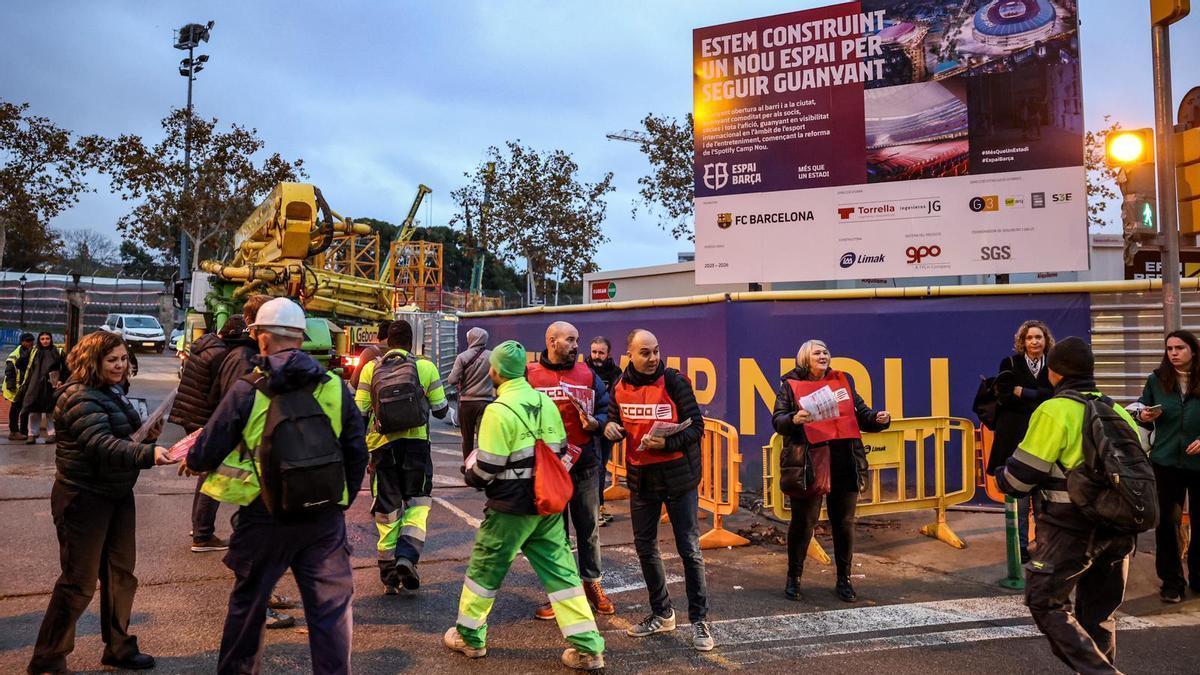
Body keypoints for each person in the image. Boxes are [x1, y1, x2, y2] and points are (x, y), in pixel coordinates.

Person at [188, 297, 368, 675]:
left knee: (249, 607)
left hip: (264, 515)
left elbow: (205, 453)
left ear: (262, 338)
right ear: (301, 339)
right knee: (330, 613)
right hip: (323, 520)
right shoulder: (335, 387)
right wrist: (340, 501)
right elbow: (357, 452)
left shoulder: (247, 389)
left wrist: (193, 459)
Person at [444, 340, 606, 671]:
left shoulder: (498, 410)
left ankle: (470, 639)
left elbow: (486, 467)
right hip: (547, 504)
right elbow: (561, 449)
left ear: (497, 371)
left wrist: (470, 473)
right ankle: (589, 648)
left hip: (510, 507)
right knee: (562, 575)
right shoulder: (545, 403)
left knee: (485, 571)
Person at [27, 331, 175, 674]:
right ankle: (47, 660)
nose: (120, 365)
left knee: (121, 575)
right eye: (112, 360)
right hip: (83, 497)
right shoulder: (79, 396)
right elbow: (101, 445)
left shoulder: (113, 391)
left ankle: (119, 647)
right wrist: (148, 453)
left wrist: (148, 434)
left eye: (123, 359)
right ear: (92, 361)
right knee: (78, 582)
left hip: (116, 494)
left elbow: (121, 436)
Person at [997, 336, 1141, 674]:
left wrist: (1003, 475)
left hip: (1071, 528)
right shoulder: (1116, 409)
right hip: (1120, 528)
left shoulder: (1054, 409)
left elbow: (1020, 479)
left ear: (1054, 373)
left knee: (1045, 602)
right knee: (1099, 614)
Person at [605, 329, 714, 651]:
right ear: (630, 355)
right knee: (646, 549)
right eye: (645, 353)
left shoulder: (675, 381)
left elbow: (697, 427)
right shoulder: (619, 387)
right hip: (642, 480)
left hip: (679, 479)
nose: (652, 358)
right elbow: (615, 422)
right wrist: (610, 429)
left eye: (655, 351)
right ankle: (662, 613)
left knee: (689, 550)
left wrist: (667, 442)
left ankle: (700, 621)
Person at [772, 339, 890, 603]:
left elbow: (861, 414)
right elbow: (778, 420)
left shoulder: (842, 380)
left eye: (826, 351)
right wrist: (793, 419)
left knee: (844, 522)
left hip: (844, 458)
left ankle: (844, 580)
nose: (823, 355)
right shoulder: (790, 386)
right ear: (804, 359)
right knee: (804, 523)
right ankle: (794, 578)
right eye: (817, 352)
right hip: (810, 461)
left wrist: (879, 420)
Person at [205, 296, 298, 628]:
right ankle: (259, 608)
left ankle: (263, 599)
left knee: (263, 544)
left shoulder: (248, 361)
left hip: (260, 475)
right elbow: (232, 416)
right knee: (257, 547)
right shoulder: (249, 364)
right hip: (260, 476)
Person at [527, 321, 614, 619]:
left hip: (585, 465)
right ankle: (560, 593)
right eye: (570, 340)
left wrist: (597, 423)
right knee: (556, 535)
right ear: (551, 341)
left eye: (578, 340)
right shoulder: (530, 375)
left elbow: (607, 409)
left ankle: (593, 584)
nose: (577, 346)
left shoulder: (588, 374)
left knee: (588, 530)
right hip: (549, 469)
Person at [355, 320, 449, 594]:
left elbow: (360, 412)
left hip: (381, 447)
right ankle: (407, 556)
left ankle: (388, 574)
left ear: (387, 342)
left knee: (386, 509)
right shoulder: (426, 367)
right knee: (418, 504)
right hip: (417, 446)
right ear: (412, 342)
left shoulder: (371, 369)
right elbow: (442, 410)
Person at [169, 316, 245, 555]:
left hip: (188, 412)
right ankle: (202, 534)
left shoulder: (206, 344)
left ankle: (199, 528)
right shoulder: (221, 355)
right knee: (212, 474)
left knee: (207, 472)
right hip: (203, 417)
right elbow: (217, 394)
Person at [1133, 329, 1200, 604]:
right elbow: (1143, 413)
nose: (1173, 353)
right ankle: (1172, 582)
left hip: (1198, 462)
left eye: (1179, 348)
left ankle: (1198, 578)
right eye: (1169, 348)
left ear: (1193, 351)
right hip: (1166, 461)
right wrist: (1145, 415)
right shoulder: (1157, 379)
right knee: (1167, 525)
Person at [988, 320, 1055, 563]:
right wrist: (1039, 396)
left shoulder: (1054, 365)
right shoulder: (1010, 363)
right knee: (1019, 499)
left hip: (1045, 438)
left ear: (1046, 340)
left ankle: (1044, 547)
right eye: (1029, 338)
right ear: (1022, 342)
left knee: (1043, 500)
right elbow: (1004, 395)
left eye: (1038, 337)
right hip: (1014, 438)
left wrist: (1024, 392)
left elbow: (1056, 395)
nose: (1034, 342)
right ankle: (1020, 550)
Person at [587, 336, 621, 526]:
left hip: (607, 426)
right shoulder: (583, 370)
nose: (597, 356)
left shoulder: (616, 373)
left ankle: (598, 506)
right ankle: (595, 508)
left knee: (602, 466)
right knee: (596, 467)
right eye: (594, 352)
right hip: (590, 427)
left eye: (601, 352)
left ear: (608, 354)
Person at [447, 326, 494, 460]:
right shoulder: (492, 356)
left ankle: (468, 465)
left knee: (467, 439)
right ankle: (481, 467)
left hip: (467, 404)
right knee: (483, 439)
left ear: (471, 339)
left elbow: (452, 379)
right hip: (486, 402)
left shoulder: (462, 357)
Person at [20, 332, 67, 445]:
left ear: (51, 340)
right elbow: (20, 363)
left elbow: (67, 368)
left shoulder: (58, 352)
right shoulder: (33, 351)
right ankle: (32, 435)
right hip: (35, 384)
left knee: (51, 411)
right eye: (42, 339)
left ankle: (52, 434)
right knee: (33, 410)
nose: (45, 341)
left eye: (47, 338)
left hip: (51, 385)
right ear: (39, 340)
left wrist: (61, 380)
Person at [5, 332, 35, 440]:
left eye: (31, 340)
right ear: (22, 342)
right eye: (27, 341)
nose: (30, 343)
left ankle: (23, 431)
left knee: (25, 408)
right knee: (15, 408)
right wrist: (11, 385)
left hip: (26, 384)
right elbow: (9, 370)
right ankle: (13, 431)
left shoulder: (32, 351)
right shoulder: (16, 354)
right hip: (17, 386)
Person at [349, 320, 391, 390]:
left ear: (379, 335)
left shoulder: (369, 353)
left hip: (370, 399)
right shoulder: (403, 354)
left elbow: (354, 383)